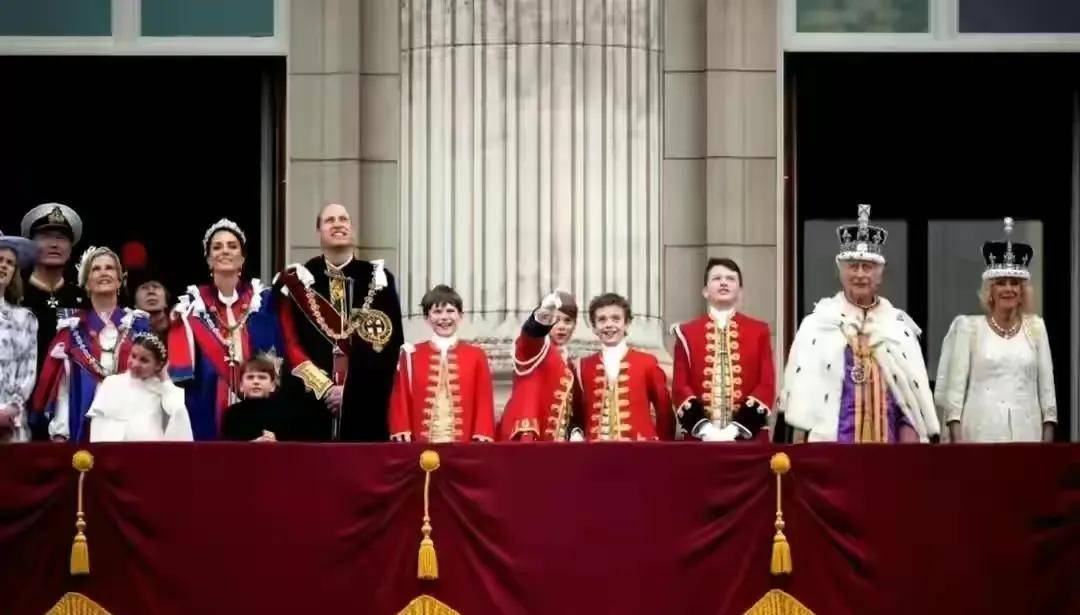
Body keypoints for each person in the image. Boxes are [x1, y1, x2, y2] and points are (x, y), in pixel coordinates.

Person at [777, 204, 939, 443]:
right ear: (841, 273)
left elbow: (911, 395)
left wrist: (911, 431)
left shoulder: (898, 327)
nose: (860, 274)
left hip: (889, 444)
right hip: (831, 443)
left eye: (868, 267)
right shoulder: (817, 323)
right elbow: (801, 395)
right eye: (853, 266)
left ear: (879, 275)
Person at [275, 203, 404, 441]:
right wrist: (324, 388)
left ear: (351, 227)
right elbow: (288, 343)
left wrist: (351, 390)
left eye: (343, 219)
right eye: (330, 220)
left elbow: (389, 346)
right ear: (318, 230)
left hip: (365, 408)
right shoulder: (297, 280)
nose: (337, 224)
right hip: (310, 407)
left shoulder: (378, 279)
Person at [935, 217, 1056, 443]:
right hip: (978, 437)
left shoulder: (1036, 328)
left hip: (1027, 437)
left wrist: (1046, 447)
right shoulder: (968, 329)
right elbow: (954, 399)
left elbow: (1048, 396)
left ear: (1022, 291)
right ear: (990, 290)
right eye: (1001, 282)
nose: (1008, 289)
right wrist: (960, 448)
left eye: (1014, 283)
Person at [168, 219, 281, 441]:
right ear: (209, 259)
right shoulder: (191, 305)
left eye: (232, 246)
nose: (225, 251)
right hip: (206, 403)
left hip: (256, 406)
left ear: (243, 258)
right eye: (217, 247)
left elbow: (275, 358)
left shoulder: (263, 301)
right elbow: (180, 372)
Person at [32, 246, 151, 442]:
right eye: (96, 269)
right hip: (84, 429)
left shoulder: (139, 326)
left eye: (109, 268)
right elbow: (63, 389)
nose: (103, 272)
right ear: (86, 282)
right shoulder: (71, 331)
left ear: (119, 280)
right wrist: (61, 432)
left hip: (132, 431)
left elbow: (152, 382)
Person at [671, 258, 775, 442]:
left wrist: (735, 430)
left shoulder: (759, 331)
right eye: (717, 278)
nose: (724, 282)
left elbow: (766, 384)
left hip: (749, 438)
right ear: (705, 291)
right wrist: (705, 430)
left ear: (740, 291)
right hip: (699, 440)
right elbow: (680, 387)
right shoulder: (686, 333)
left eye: (730, 278)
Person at [388, 285, 494, 443]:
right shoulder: (411, 354)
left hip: (464, 444)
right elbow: (400, 395)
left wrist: (482, 431)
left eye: (450, 311)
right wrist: (401, 427)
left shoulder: (476, 355)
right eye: (437, 312)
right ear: (427, 317)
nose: (444, 317)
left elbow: (484, 398)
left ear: (460, 315)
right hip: (420, 445)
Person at [572, 293, 673, 441]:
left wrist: (663, 447)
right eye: (602, 319)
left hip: (640, 450)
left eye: (616, 318)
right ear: (593, 327)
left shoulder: (647, 362)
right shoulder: (583, 366)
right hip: (595, 451)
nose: (609, 325)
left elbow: (664, 410)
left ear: (626, 323)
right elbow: (578, 414)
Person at [498, 290, 579, 441]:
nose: (561, 326)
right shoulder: (536, 349)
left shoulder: (571, 365)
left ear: (575, 325)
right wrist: (544, 315)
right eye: (556, 320)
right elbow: (530, 337)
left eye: (567, 321)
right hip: (525, 441)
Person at [86, 332, 192, 442]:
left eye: (144, 360)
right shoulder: (111, 383)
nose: (135, 363)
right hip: (114, 449)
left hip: (149, 450)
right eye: (133, 356)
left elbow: (179, 411)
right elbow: (97, 424)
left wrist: (164, 378)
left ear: (158, 365)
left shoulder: (163, 389)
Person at [20, 203, 86, 372]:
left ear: (70, 249)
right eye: (45, 237)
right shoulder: (14, 294)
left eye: (61, 238)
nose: (54, 244)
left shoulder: (83, 298)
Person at [0, 231, 39, 443]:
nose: (4, 266)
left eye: (10, 263)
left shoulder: (25, 319)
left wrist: (11, 409)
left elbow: (28, 371)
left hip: (10, 425)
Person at [222, 355, 291, 442]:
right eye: (250, 377)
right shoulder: (232, 414)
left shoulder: (286, 414)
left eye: (262, 377)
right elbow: (228, 448)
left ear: (272, 386)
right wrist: (253, 446)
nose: (256, 381)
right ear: (241, 386)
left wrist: (278, 444)